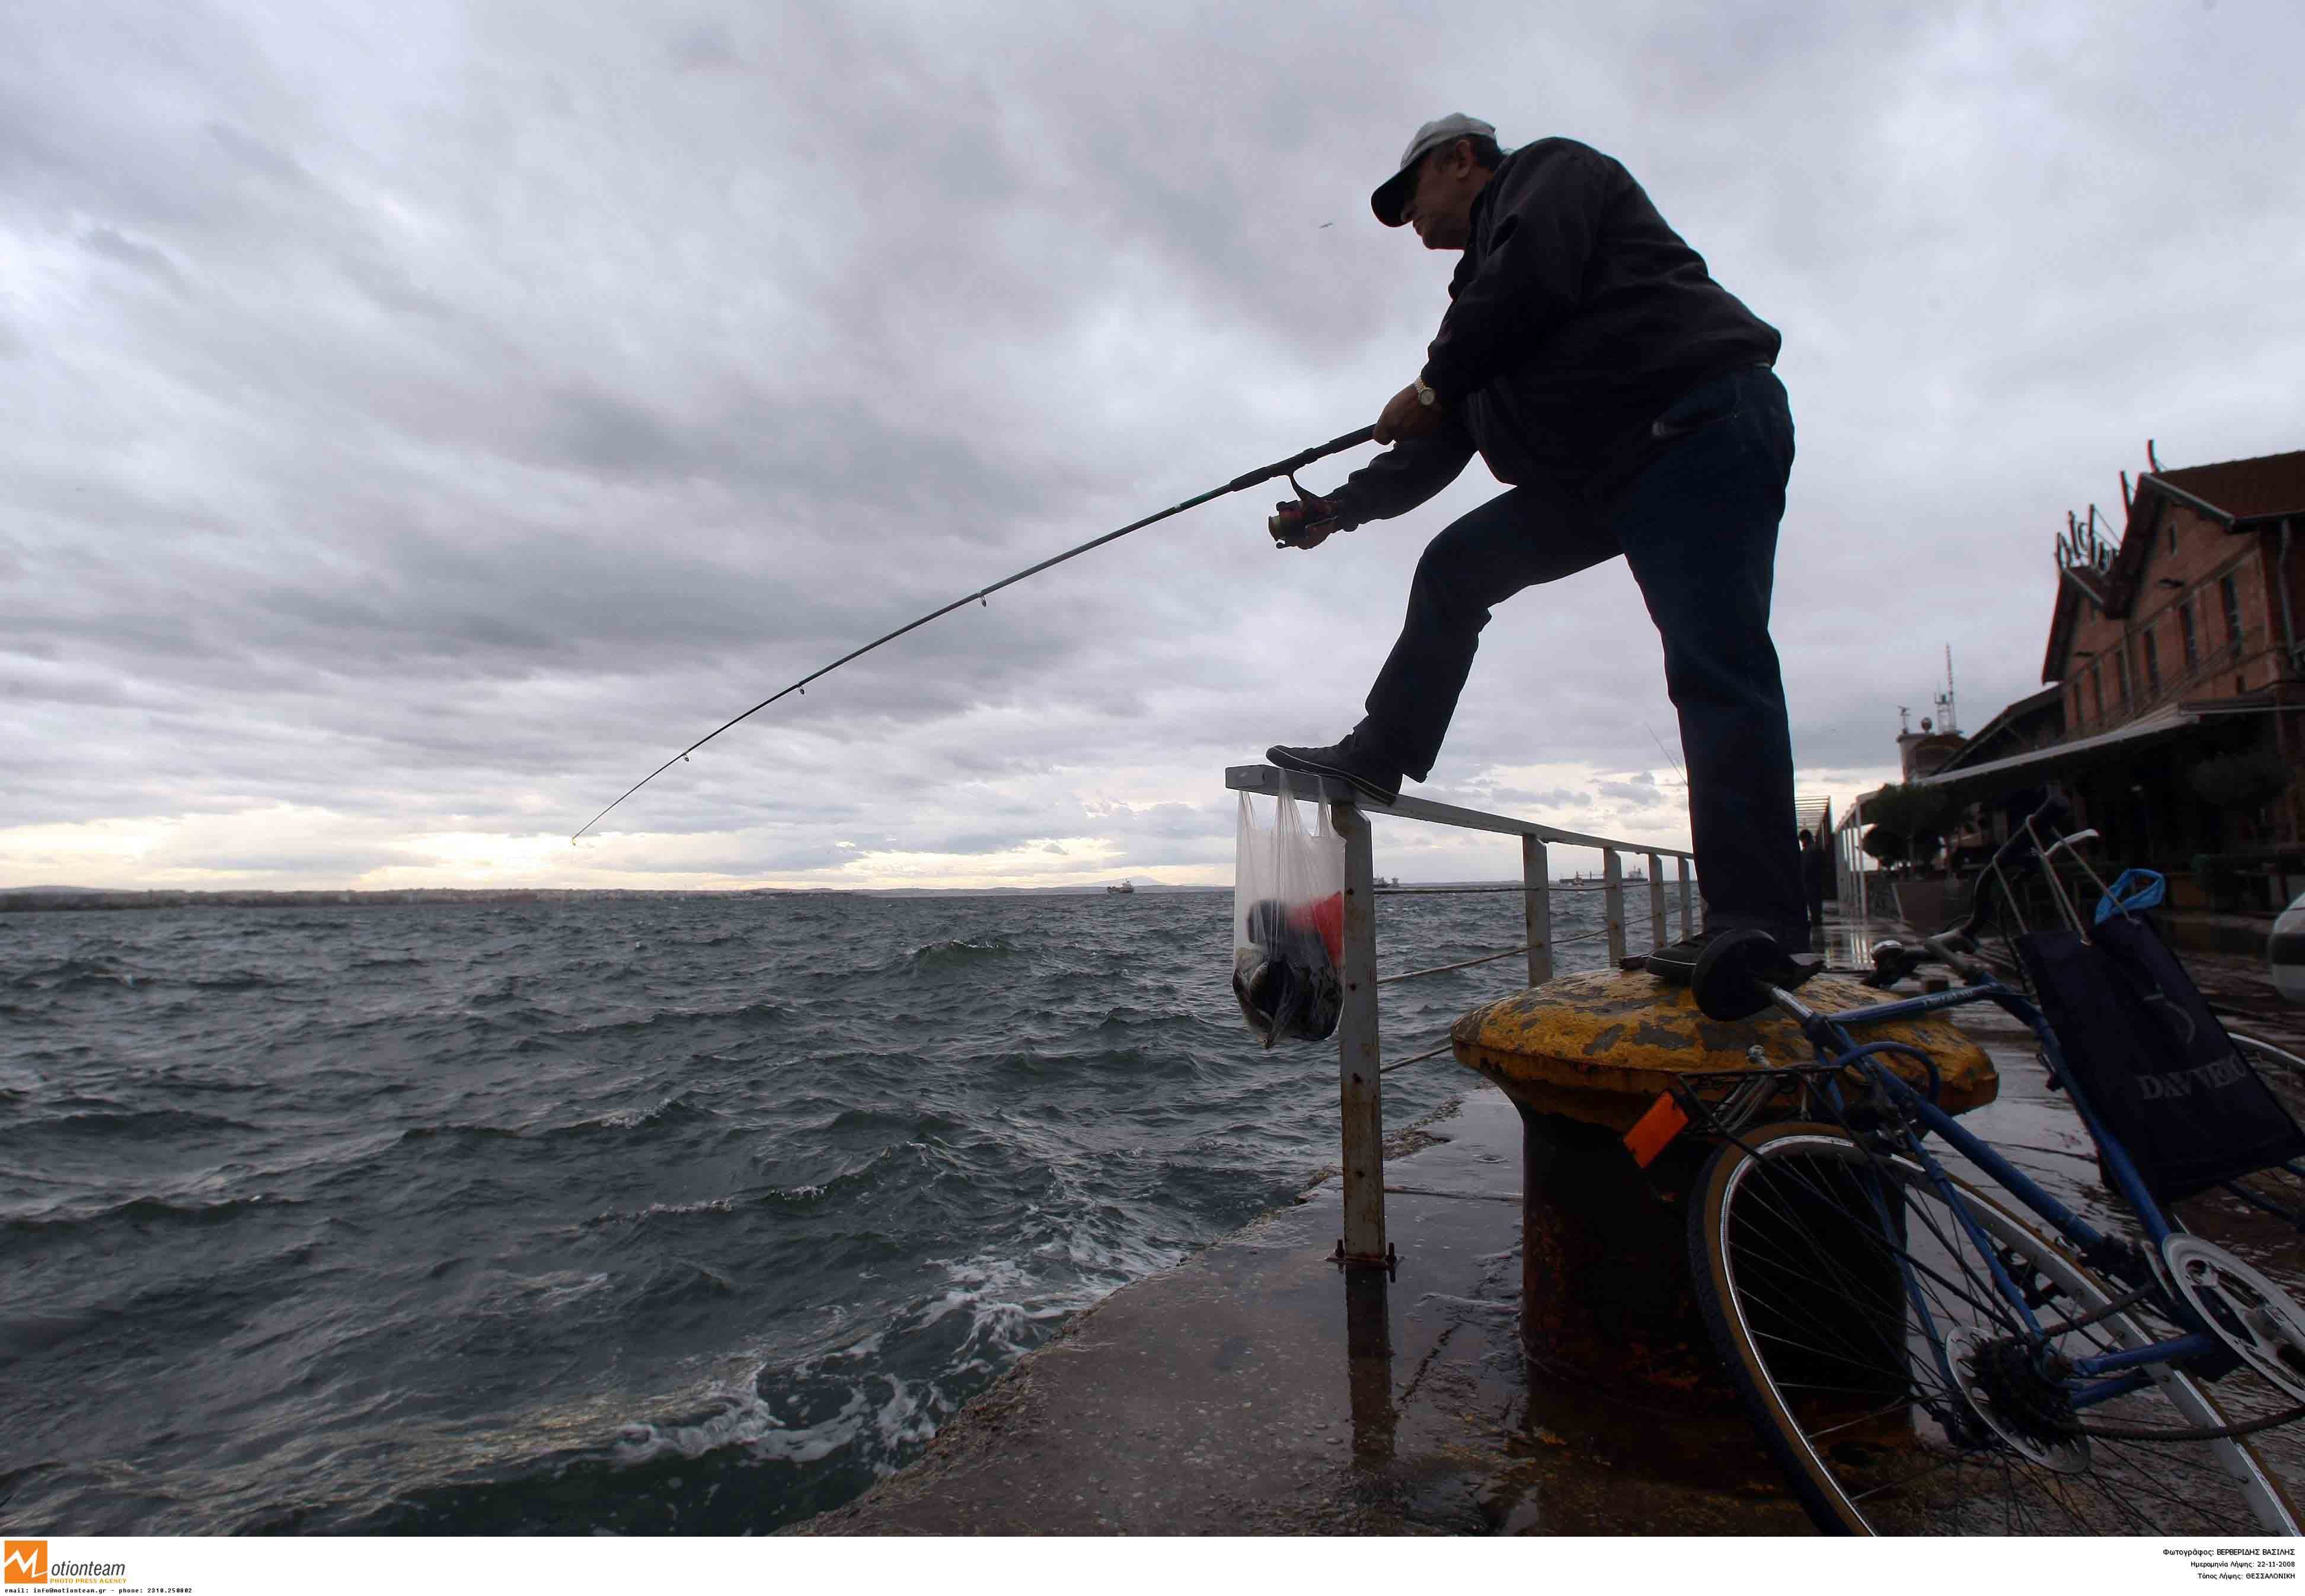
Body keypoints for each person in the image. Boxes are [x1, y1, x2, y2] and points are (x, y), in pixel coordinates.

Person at [1264, 114, 1813, 985]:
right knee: (1456, 567)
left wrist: (1432, 385)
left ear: (1462, 160)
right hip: (1606, 471)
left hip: (1700, 423)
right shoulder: (1477, 314)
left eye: (1410, 194)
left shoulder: (1549, 177)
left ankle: (1760, 924)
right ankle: (1379, 756)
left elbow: (1529, 283)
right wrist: (1336, 507)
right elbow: (1435, 447)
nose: (1409, 218)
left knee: (1715, 662)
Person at [1799, 827, 1831, 944]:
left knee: (1813, 906)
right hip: (1817, 882)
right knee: (1816, 906)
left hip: (1810, 883)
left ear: (1805, 839)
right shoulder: (1817, 849)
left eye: (1802, 840)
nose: (1802, 843)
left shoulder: (1806, 852)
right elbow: (1825, 866)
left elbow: (1804, 868)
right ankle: (1817, 925)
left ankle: (1816, 929)